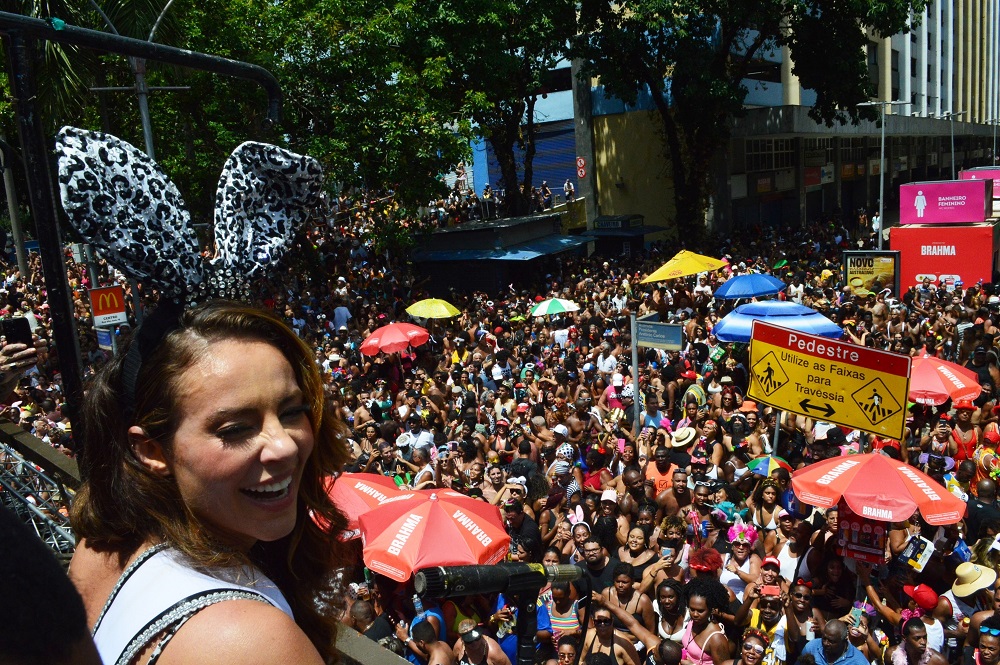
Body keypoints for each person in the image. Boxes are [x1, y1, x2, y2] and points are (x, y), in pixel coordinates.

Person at [68, 302, 351, 665]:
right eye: (235, 429)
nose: (284, 446)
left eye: (291, 411)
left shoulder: (100, 550)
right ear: (153, 450)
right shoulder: (252, 645)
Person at [799, 620, 869, 665]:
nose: (826, 643)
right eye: (824, 638)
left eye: (831, 641)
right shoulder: (811, 648)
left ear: (844, 640)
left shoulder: (858, 661)